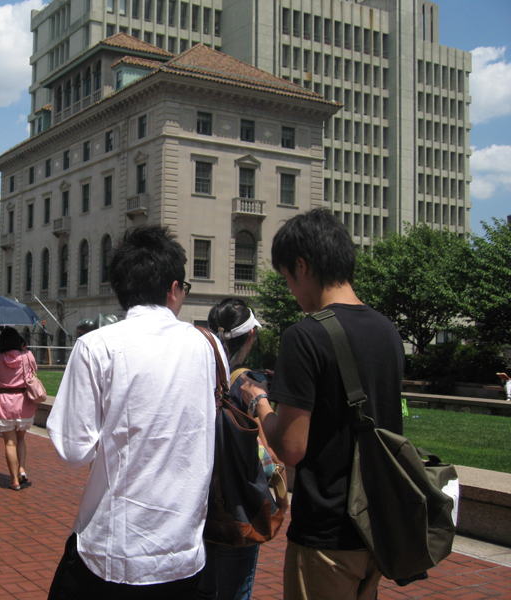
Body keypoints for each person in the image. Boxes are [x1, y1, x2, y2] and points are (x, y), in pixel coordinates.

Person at [237, 208, 404, 600]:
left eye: (287, 280)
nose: (293, 293)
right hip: (376, 525)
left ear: (301, 265)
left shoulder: (305, 336)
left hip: (327, 533)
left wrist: (259, 400)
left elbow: (291, 449)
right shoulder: (388, 331)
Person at [47, 224, 221, 599]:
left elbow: (73, 450)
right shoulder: (206, 346)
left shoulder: (97, 346)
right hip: (184, 550)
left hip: (115, 549)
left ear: (120, 288)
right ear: (174, 288)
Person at [197, 298, 287, 600]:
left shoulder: (196, 377)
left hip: (196, 508)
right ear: (250, 336)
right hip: (239, 510)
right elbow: (273, 452)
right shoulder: (249, 385)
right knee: (235, 593)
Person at [0, 327, 37, 490]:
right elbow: (34, 372)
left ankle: (14, 480)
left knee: (9, 443)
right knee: (21, 439)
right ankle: (22, 469)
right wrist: (24, 350)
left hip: (5, 401)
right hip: (23, 401)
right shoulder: (28, 356)